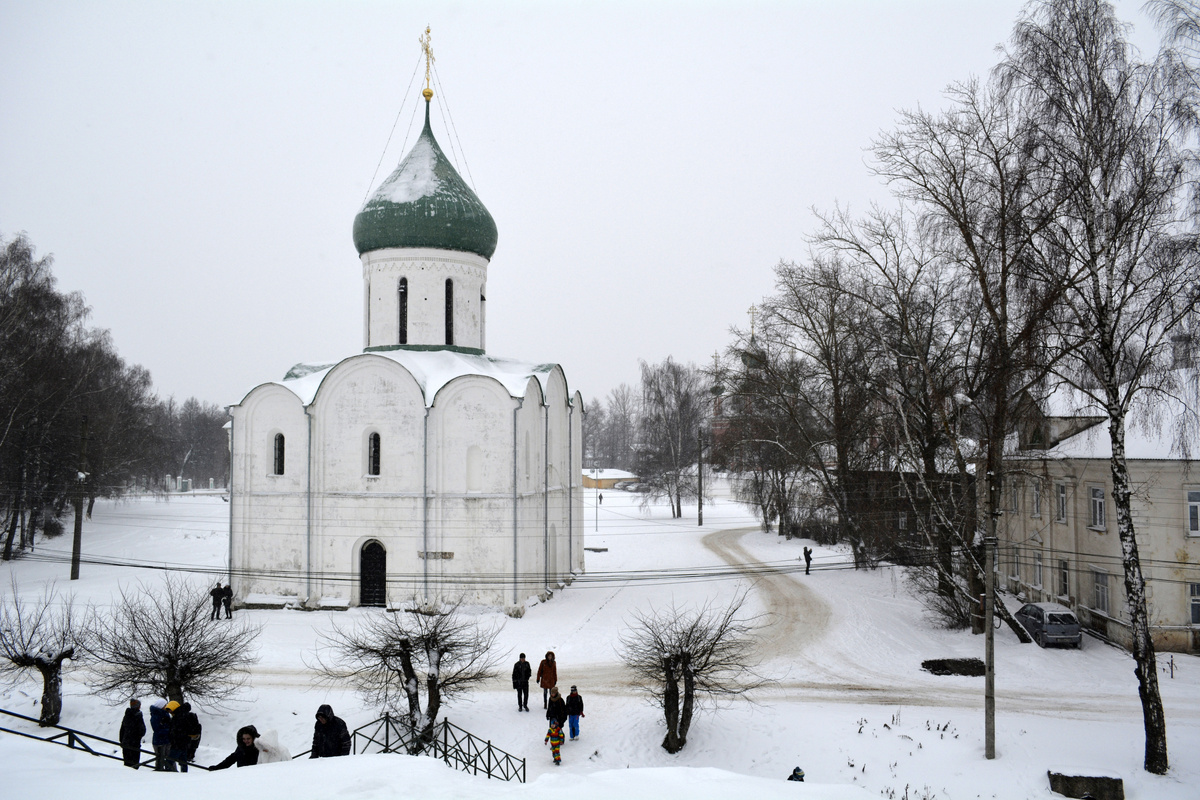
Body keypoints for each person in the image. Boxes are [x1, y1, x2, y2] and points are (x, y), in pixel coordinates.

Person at [166, 700, 201, 772]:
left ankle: (168, 775)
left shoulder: (179, 717)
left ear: (173, 708)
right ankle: (184, 775)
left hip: (178, 743)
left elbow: (178, 730)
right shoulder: (183, 715)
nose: (169, 712)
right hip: (184, 742)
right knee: (183, 762)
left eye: (170, 710)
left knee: (169, 762)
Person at [118, 698, 146, 769]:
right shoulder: (138, 715)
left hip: (126, 742)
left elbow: (122, 729)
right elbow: (142, 729)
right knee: (135, 764)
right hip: (135, 743)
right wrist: (139, 735)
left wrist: (122, 741)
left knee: (127, 764)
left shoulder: (127, 715)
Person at [149, 698, 175, 771]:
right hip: (159, 740)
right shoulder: (156, 716)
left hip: (166, 739)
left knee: (169, 757)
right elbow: (157, 729)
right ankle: (161, 771)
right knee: (160, 758)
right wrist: (168, 730)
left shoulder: (165, 714)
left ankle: (171, 769)